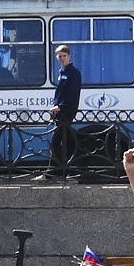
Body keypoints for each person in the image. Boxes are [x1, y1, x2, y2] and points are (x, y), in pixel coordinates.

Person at [38, 43, 81, 181]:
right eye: (59, 56)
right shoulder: (62, 72)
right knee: (64, 141)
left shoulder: (73, 73)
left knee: (57, 141)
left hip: (67, 111)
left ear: (69, 56)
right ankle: (67, 172)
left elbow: (72, 94)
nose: (61, 59)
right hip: (60, 111)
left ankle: (55, 173)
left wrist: (61, 107)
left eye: (63, 56)